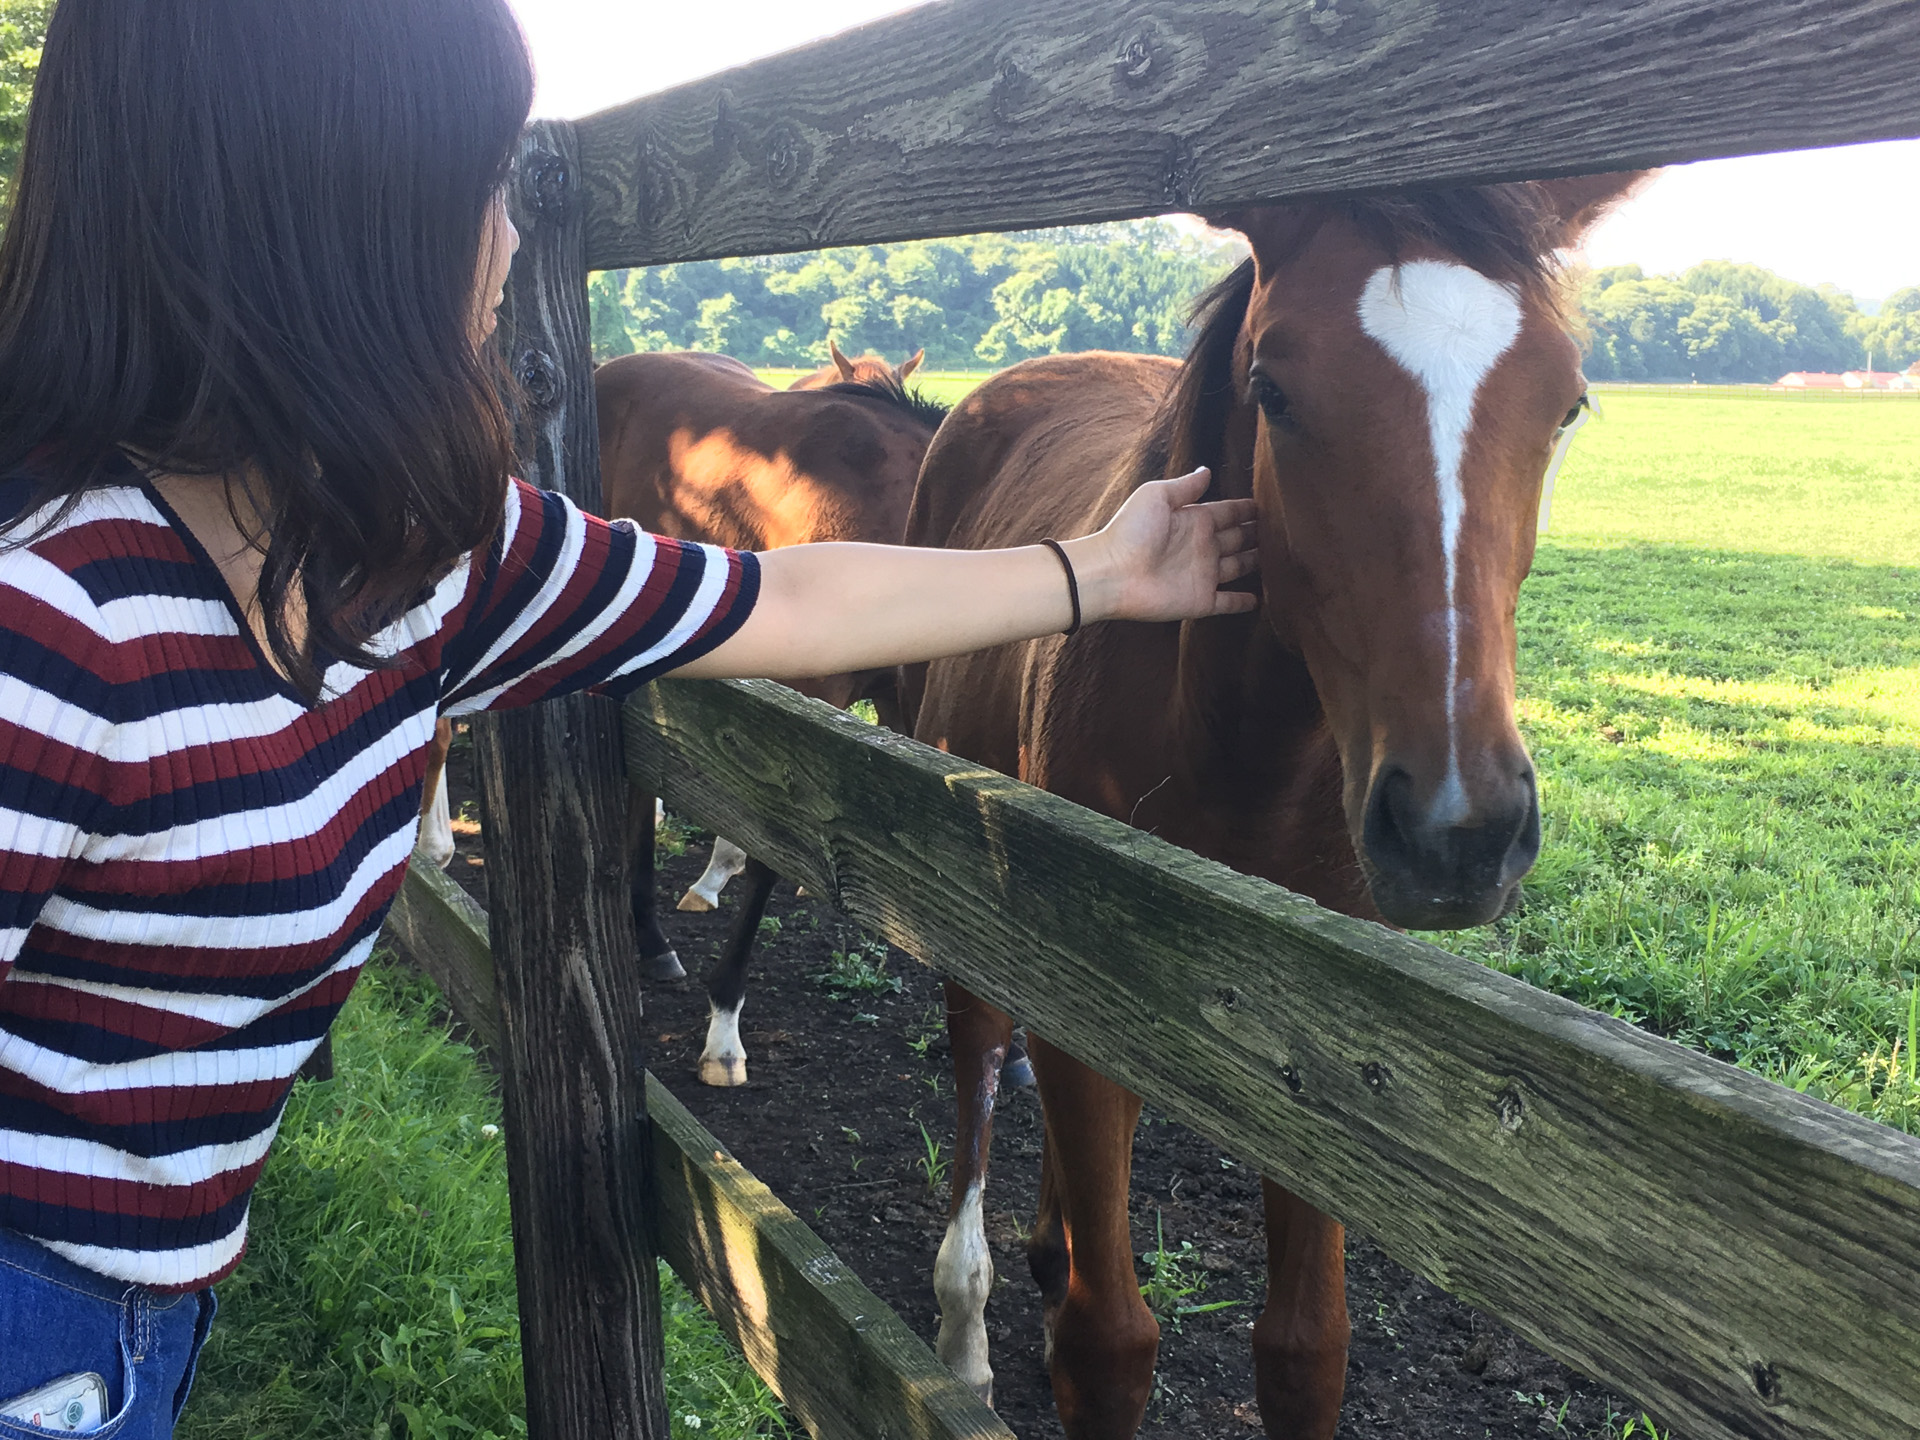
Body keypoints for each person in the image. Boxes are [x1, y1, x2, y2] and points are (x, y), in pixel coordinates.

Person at [0, 1, 1256, 1432]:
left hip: (143, 1305)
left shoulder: (421, 562)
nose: (515, 240)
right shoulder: (49, 626)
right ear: (337, 221)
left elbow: (782, 606)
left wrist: (1102, 567)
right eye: (483, 184)